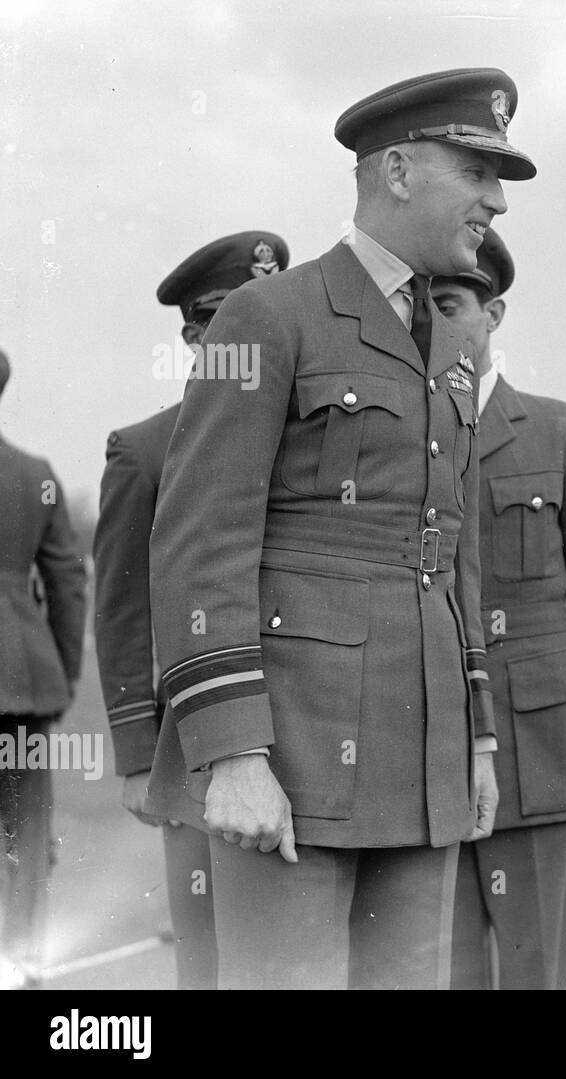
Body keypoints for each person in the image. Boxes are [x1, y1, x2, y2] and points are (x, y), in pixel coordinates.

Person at [144, 68, 536, 989]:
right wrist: (234, 751)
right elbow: (201, 538)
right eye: (478, 170)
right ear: (397, 170)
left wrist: (475, 735)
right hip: (295, 748)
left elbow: (448, 551)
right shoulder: (270, 314)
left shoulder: (447, 337)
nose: (497, 201)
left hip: (425, 749)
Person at [430, 228, 566, 989]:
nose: (433, 325)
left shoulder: (563, 430)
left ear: (495, 314)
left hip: (539, 745)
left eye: (450, 304)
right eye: (418, 308)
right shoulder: (394, 439)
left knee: (536, 972)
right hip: (429, 750)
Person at [93, 231, 290, 990]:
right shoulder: (145, 449)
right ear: (194, 335)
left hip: (315, 729)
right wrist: (138, 754)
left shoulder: (313, 437)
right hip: (200, 748)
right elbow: (119, 610)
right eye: (224, 321)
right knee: (211, 964)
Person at [0, 348, 87, 988]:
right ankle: (24, 957)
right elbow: (67, 583)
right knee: (27, 830)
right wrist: (61, 672)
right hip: (25, 678)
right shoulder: (36, 475)